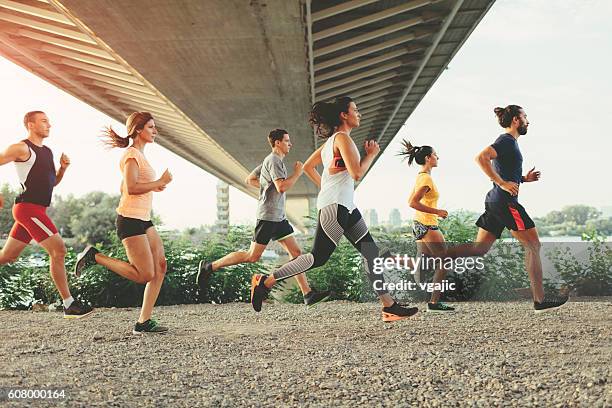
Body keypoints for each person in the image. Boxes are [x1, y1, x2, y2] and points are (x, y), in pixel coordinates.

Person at [250, 97, 419, 322]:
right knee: (318, 257)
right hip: (336, 206)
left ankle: (389, 306)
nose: (359, 114)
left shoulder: (331, 142)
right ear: (344, 115)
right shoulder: (342, 139)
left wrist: (326, 186)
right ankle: (266, 282)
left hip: (346, 205)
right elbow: (357, 173)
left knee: (371, 253)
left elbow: (309, 167)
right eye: (355, 110)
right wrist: (370, 155)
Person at [445, 105, 568, 313]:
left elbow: (505, 170)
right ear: (515, 121)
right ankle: (540, 301)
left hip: (495, 202)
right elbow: (481, 158)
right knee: (533, 246)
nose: (528, 121)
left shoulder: (511, 144)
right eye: (525, 116)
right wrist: (501, 183)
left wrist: (523, 179)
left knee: (479, 249)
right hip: (505, 202)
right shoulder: (506, 141)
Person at [196, 129, 330, 306]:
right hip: (268, 217)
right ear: (277, 143)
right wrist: (298, 172)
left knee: (296, 254)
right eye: (287, 141)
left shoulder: (272, 160)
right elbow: (282, 187)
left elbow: (250, 179)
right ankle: (209, 266)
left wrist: (266, 188)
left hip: (279, 218)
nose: (290, 144)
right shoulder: (274, 160)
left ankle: (307, 293)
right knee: (252, 256)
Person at [74, 112, 173, 333]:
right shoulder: (131, 155)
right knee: (144, 274)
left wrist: (154, 186)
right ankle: (95, 256)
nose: (155, 131)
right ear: (138, 130)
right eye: (150, 127)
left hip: (143, 218)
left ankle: (143, 321)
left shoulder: (140, 155)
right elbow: (130, 188)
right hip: (129, 220)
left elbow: (123, 188)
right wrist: (158, 181)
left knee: (161, 266)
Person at [0, 111, 93, 318]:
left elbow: (52, 183)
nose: (49, 125)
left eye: (49, 122)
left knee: (7, 256)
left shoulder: (48, 152)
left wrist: (63, 169)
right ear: (31, 125)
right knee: (59, 251)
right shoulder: (21, 148)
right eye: (44, 121)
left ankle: (69, 305)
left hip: (37, 210)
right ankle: (69, 304)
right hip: (28, 209)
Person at [401, 140, 455, 312]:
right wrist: (437, 211)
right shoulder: (426, 179)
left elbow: (412, 201)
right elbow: (412, 202)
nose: (437, 157)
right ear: (428, 158)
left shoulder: (420, 176)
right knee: (444, 261)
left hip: (419, 224)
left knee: (421, 264)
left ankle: (390, 260)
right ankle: (434, 303)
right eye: (435, 154)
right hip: (428, 224)